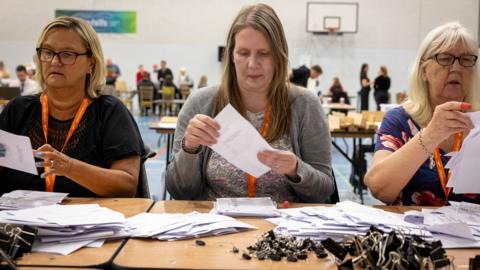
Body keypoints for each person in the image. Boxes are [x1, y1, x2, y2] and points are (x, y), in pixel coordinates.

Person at [166, 3, 334, 203]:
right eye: (243, 53)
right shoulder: (200, 103)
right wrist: (190, 148)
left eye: (263, 54)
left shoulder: (305, 104)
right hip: (216, 227)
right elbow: (178, 191)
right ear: (231, 56)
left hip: (282, 228)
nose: (253, 64)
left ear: (278, 58)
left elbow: (324, 190)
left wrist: (296, 169)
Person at [0, 16, 145, 197]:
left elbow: (126, 186)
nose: (54, 61)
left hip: (90, 223)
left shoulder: (109, 112)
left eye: (67, 54)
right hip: (18, 222)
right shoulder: (18, 110)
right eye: (47, 52)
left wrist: (69, 167)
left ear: (91, 63)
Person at [364, 22, 479, 206]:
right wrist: (431, 134)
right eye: (445, 58)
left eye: (466, 59)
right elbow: (379, 189)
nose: (456, 68)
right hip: (415, 232)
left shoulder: (477, 123)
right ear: (423, 70)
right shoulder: (400, 120)